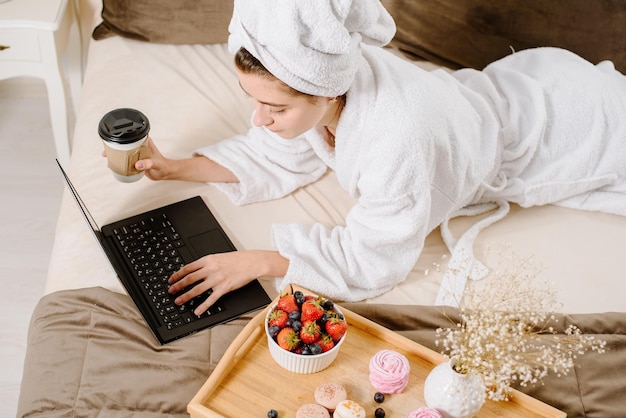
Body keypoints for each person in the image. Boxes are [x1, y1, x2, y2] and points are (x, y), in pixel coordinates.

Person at [126, 0, 626, 316]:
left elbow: (375, 258)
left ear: (325, 97)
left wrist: (257, 262)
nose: (258, 119)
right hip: (526, 81)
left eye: (274, 107)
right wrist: (174, 167)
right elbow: (278, 152)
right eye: (252, 99)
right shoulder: (330, 79)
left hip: (573, 126)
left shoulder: (399, 141)